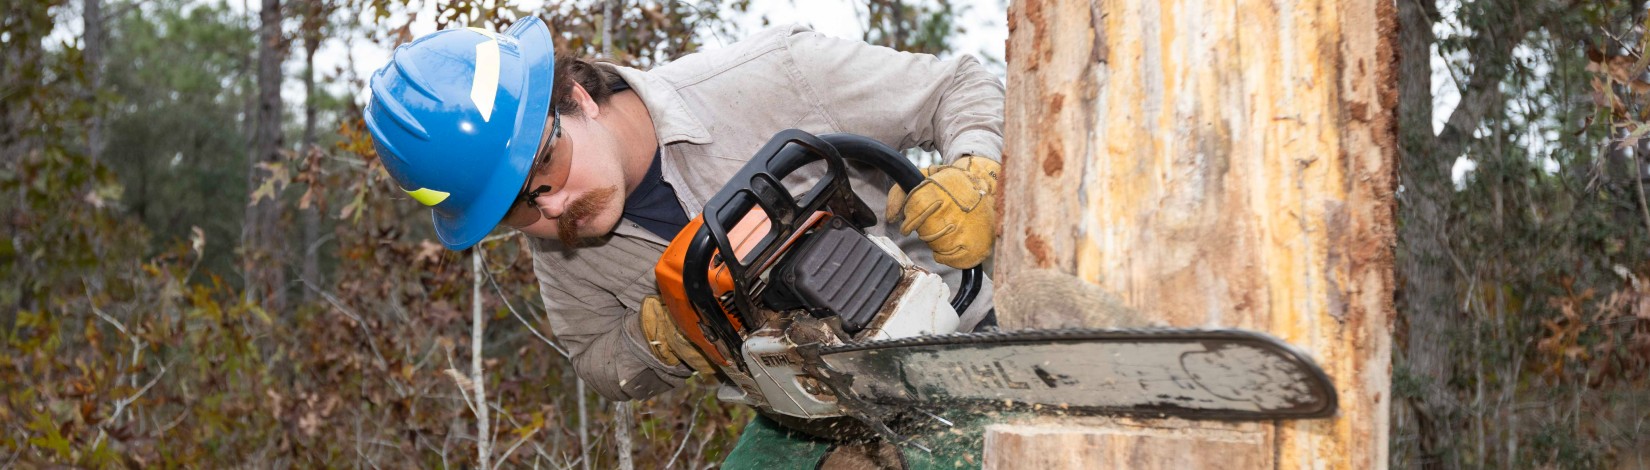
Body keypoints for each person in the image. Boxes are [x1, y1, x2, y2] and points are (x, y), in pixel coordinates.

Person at [364, 16, 1004, 468]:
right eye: (514, 209)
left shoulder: (772, 75)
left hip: (961, 349)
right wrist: (663, 337)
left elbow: (959, 85)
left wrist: (977, 170)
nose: (550, 208)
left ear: (579, 99)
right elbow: (596, 359)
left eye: (543, 174)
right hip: (812, 415)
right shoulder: (556, 240)